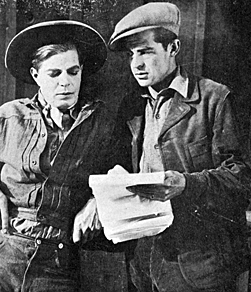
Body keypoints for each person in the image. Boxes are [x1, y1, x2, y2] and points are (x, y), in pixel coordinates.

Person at [0, 20, 125, 292]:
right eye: (54, 73)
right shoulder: (9, 117)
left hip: (57, 264)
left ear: (82, 71)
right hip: (1, 254)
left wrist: (99, 200)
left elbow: (122, 170)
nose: (66, 82)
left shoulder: (103, 122)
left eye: (73, 71)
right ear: (36, 75)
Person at [108, 3, 251, 292]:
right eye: (131, 54)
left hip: (200, 264)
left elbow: (243, 177)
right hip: (145, 261)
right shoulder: (133, 106)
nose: (136, 64)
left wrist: (186, 184)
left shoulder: (214, 99)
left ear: (173, 47)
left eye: (145, 51)